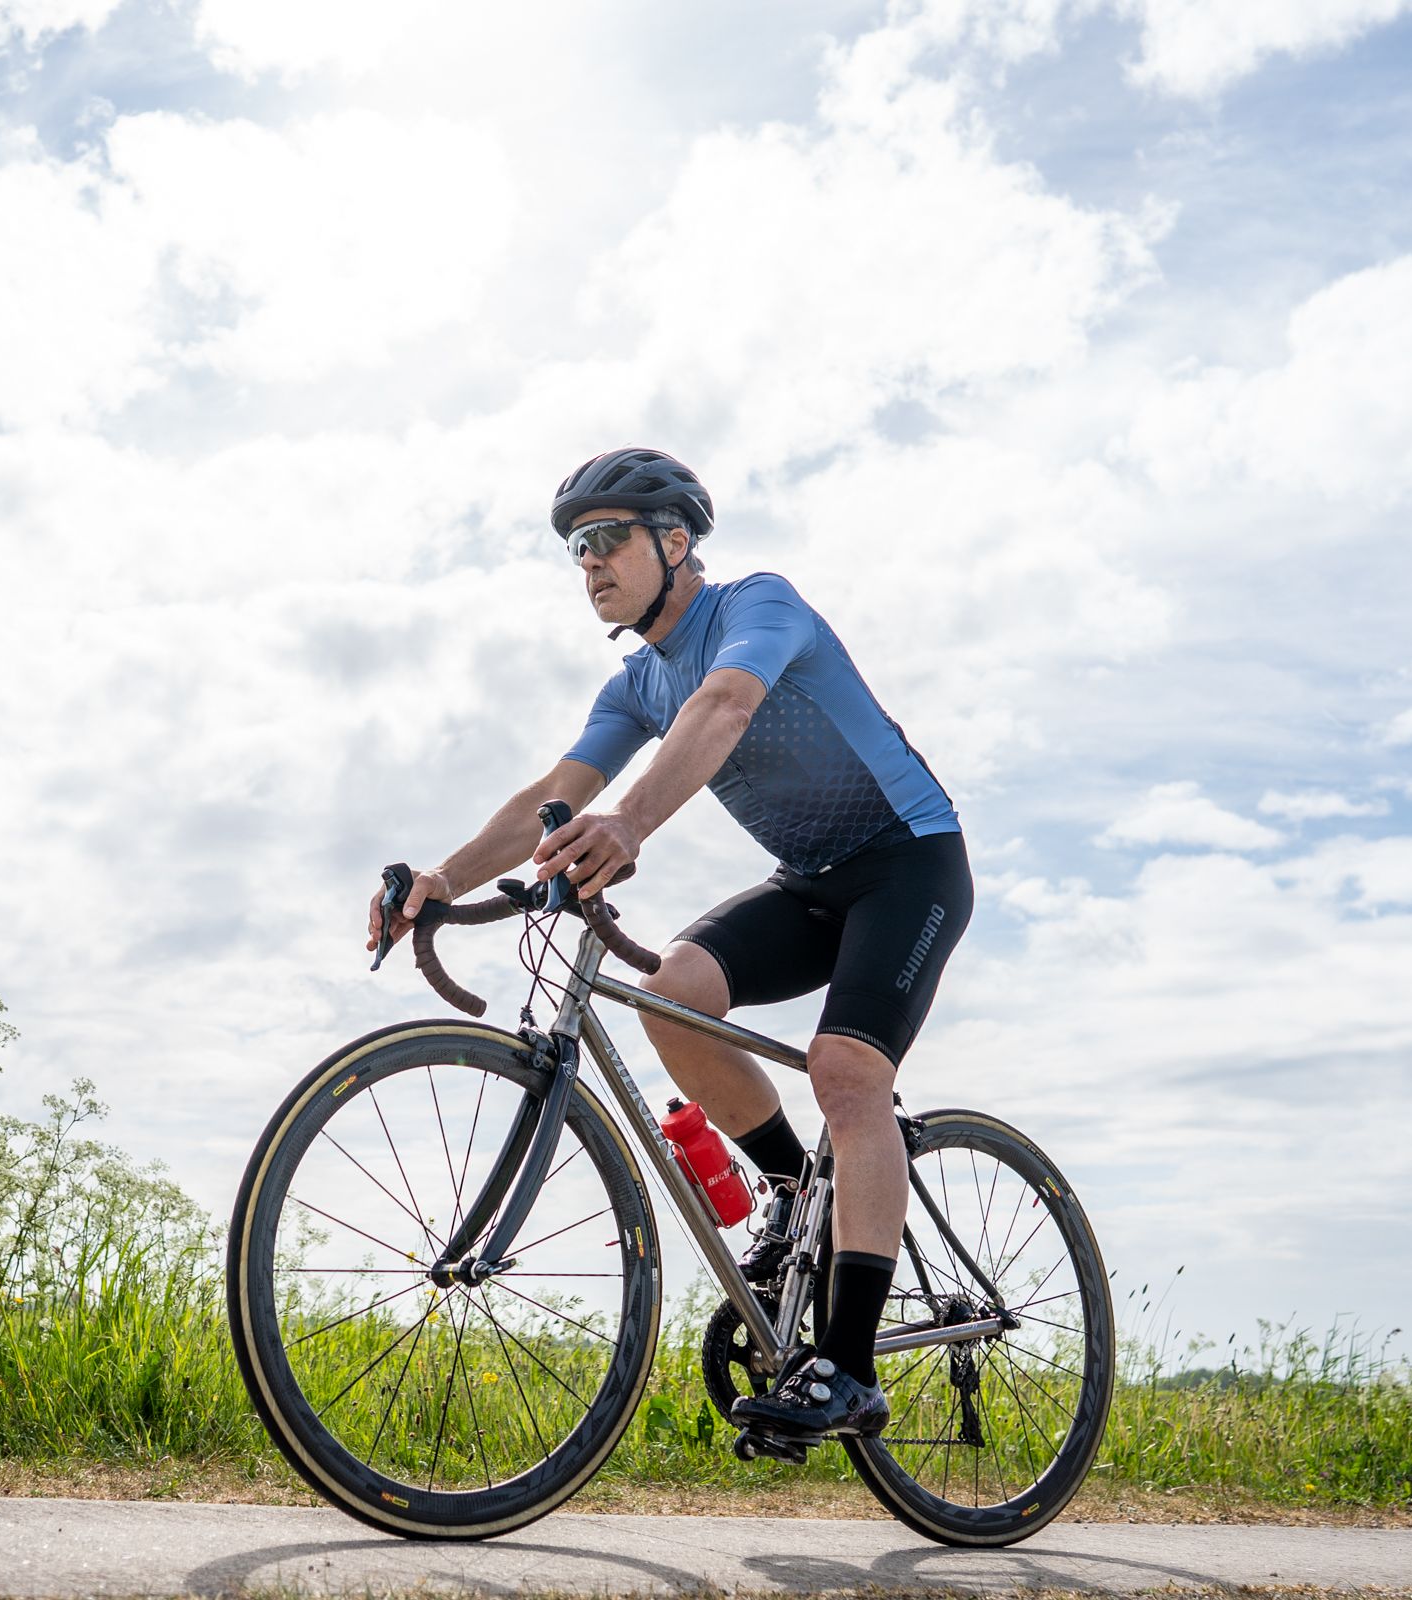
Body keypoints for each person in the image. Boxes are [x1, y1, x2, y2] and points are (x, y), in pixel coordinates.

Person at [364, 446, 972, 1443]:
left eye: (606, 539)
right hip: (813, 881)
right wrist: (439, 881)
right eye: (575, 549)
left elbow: (724, 708)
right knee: (671, 991)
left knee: (845, 1070)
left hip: (911, 863)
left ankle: (851, 1369)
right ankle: (791, 1187)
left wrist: (631, 824)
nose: (589, 563)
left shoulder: (756, 607)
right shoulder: (636, 683)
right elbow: (543, 800)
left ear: (675, 542)